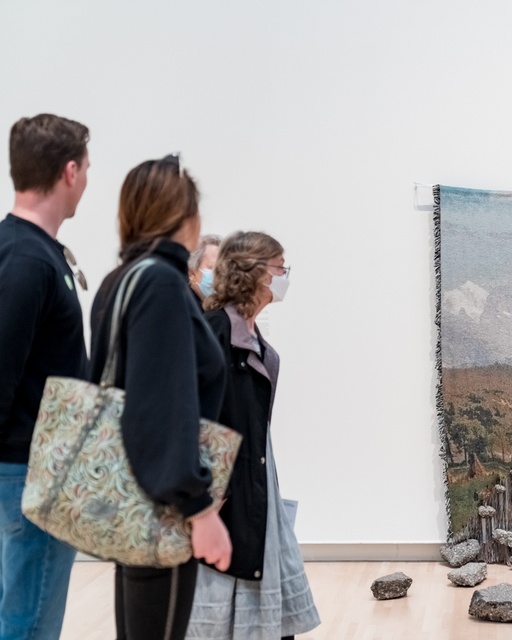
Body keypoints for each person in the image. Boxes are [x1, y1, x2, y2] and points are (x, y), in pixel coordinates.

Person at [88, 154, 232, 640]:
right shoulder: (162, 284)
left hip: (127, 493)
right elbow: (161, 406)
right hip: (161, 507)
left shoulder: (120, 280)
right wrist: (200, 508)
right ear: (183, 217)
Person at [187, 231, 319, 639]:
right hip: (221, 504)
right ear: (259, 275)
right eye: (281, 268)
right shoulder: (212, 335)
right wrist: (205, 499)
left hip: (252, 496)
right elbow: (192, 423)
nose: (285, 277)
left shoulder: (253, 342)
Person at [0, 113, 89, 640]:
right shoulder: (26, 259)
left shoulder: (32, 252)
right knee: (28, 626)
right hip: (32, 473)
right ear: (71, 172)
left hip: (37, 471)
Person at [188, 234, 221, 306]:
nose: (220, 274)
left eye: (223, 268)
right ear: (192, 274)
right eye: (213, 268)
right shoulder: (182, 306)